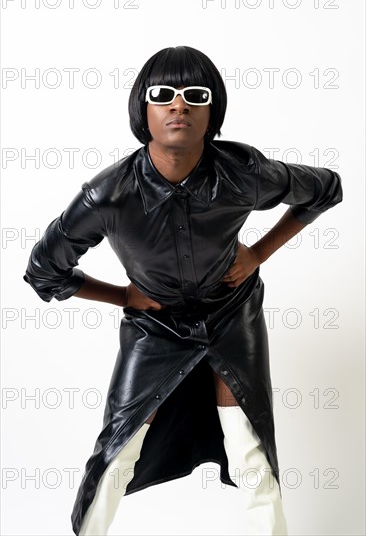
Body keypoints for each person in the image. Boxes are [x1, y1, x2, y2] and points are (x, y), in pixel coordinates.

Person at [23, 45, 343, 536]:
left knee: (250, 447)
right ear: (143, 109)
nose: (179, 105)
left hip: (232, 314)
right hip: (155, 325)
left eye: (196, 94)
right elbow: (45, 269)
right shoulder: (108, 195)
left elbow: (326, 188)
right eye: (163, 94)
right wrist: (123, 297)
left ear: (212, 110)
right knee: (116, 452)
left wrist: (258, 253)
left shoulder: (244, 172)